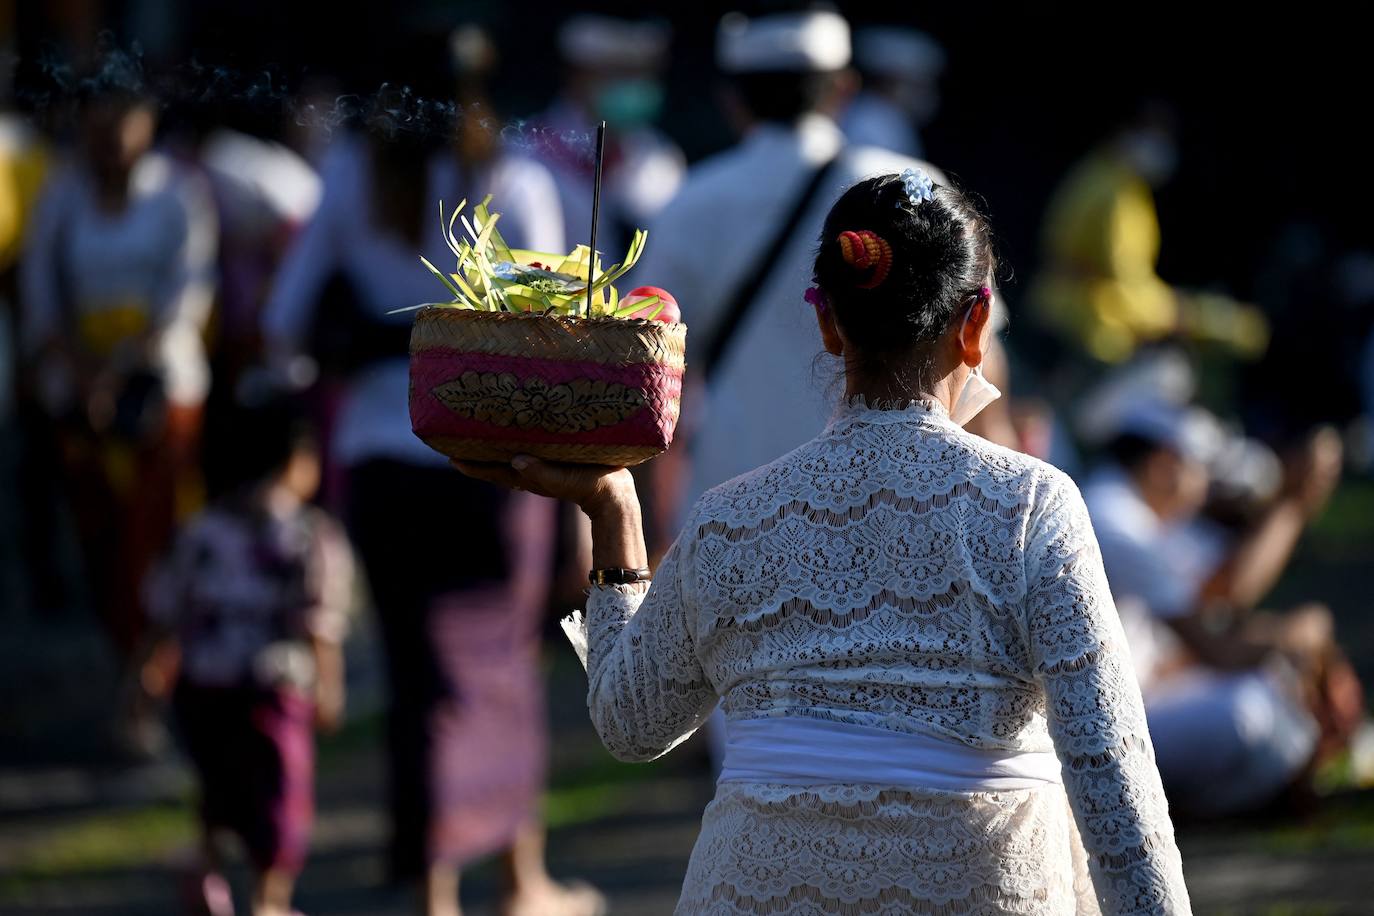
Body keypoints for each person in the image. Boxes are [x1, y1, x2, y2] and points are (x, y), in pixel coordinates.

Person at [458, 170, 1192, 915]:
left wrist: (614, 509)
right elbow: (1114, 782)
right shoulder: (1032, 507)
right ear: (975, 328)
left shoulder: (729, 520)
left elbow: (631, 722)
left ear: (828, 325)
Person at [262, 40, 601, 916]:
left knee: (419, 683)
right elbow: (549, 339)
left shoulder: (347, 174)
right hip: (492, 468)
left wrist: (371, 341)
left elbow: (281, 323)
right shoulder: (515, 181)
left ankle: (433, 891)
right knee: (504, 668)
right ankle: (520, 882)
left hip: (379, 464)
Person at [633, 9, 939, 525]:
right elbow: (975, 356)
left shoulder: (692, 202)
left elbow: (643, 371)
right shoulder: (911, 193)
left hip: (733, 508)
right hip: (889, 507)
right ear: (843, 87)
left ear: (732, 98)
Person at [20, 82, 217, 752]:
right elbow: (41, 297)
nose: (109, 141)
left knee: (156, 542)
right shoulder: (62, 197)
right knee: (105, 550)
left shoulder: (177, 195)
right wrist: (81, 372)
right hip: (82, 404)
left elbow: (185, 296)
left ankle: (155, 680)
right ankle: (129, 671)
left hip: (158, 395)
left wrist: (120, 368)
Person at [1082, 401, 1364, 815]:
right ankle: (1180, 811)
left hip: (1121, 706)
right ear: (1163, 464)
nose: (1207, 485)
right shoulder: (1117, 522)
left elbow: (1214, 601)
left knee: (1270, 691)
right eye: (1200, 468)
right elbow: (1219, 638)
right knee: (1250, 711)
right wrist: (1290, 637)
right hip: (1100, 729)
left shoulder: (1123, 509)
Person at [141, 395, 350, 916]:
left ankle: (207, 870)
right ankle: (268, 901)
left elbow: (167, 608)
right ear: (296, 462)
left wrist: (142, 679)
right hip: (272, 690)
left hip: (204, 684)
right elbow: (320, 623)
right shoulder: (309, 535)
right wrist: (330, 688)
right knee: (279, 801)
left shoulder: (202, 528)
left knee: (220, 788)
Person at [530, 14, 685, 257]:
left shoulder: (661, 157)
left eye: (644, 73)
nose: (635, 86)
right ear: (577, 75)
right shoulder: (525, 154)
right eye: (619, 72)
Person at [841, 25, 945, 159]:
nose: (924, 92)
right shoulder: (876, 124)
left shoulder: (890, 120)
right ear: (890, 81)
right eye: (917, 84)